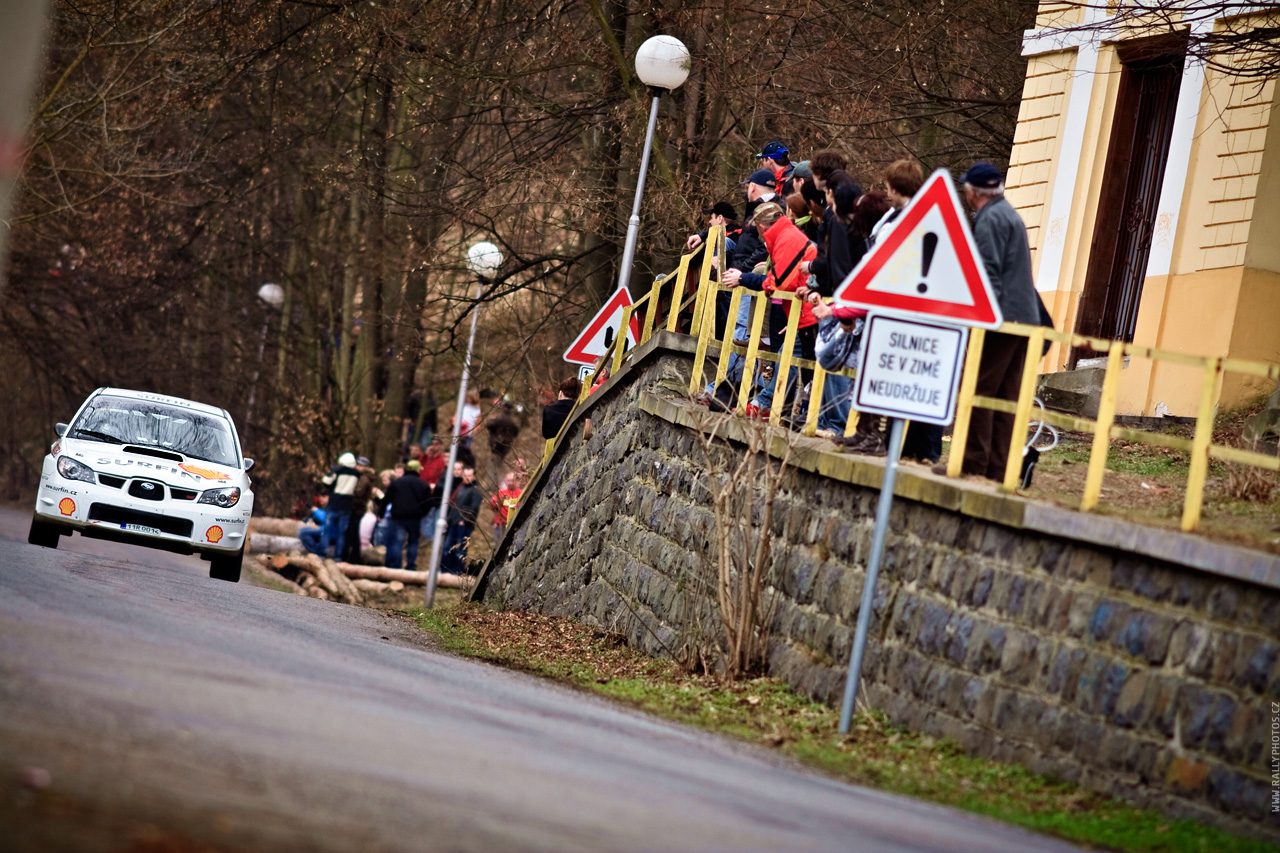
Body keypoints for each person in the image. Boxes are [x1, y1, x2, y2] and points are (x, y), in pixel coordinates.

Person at [947, 161, 1043, 481]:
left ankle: (972, 462)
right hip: (1024, 318)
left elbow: (986, 274)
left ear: (973, 192)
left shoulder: (988, 220)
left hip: (998, 319)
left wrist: (978, 318)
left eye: (966, 188)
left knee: (978, 390)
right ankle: (999, 468)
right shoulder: (1011, 215)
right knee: (1005, 397)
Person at [384, 459, 433, 570]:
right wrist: (422, 513)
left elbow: (387, 499)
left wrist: (381, 513)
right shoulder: (422, 485)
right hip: (414, 519)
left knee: (397, 541)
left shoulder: (397, 483)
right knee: (413, 542)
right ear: (417, 470)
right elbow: (428, 503)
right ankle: (410, 565)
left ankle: (395, 566)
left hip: (398, 517)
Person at [442, 465, 481, 576]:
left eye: (469, 475)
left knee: (460, 549)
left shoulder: (475, 490)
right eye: (465, 475)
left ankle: (457, 571)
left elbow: (474, 508)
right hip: (453, 522)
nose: (466, 478)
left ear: (473, 477)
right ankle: (445, 569)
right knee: (448, 546)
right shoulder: (461, 488)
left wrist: (465, 520)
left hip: (463, 524)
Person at [320, 452, 360, 558]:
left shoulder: (338, 471)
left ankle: (323, 553)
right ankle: (338, 555)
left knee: (327, 529)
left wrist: (331, 473)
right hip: (347, 504)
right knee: (341, 532)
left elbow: (326, 482)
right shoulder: (356, 473)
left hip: (335, 502)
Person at [486, 398, 521, 464]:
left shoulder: (498, 420)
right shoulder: (512, 423)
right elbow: (516, 433)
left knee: (494, 465)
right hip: (505, 448)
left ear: (503, 408)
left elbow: (489, 425)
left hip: (496, 446)